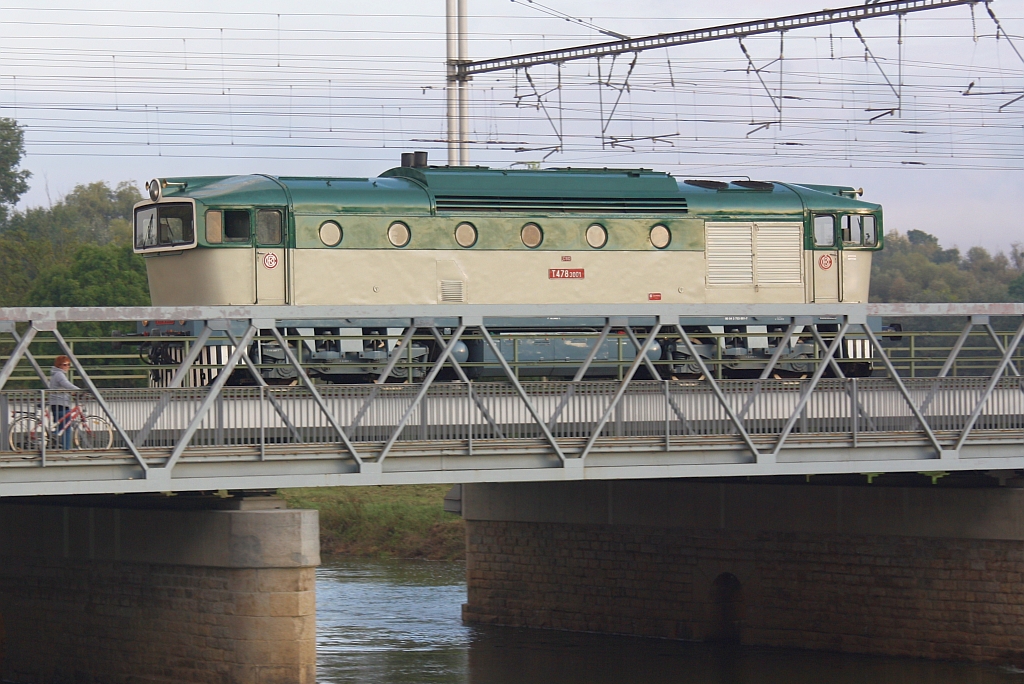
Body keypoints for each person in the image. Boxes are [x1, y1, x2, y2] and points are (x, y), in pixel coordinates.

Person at [49, 355, 79, 450]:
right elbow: (66, 384)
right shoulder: (59, 374)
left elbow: (62, 388)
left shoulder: (56, 374)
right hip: (60, 404)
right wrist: (80, 390)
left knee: (62, 427)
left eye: (68, 365)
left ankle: (60, 445)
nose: (67, 367)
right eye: (64, 364)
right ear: (59, 365)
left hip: (58, 404)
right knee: (67, 428)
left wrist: (73, 394)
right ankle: (67, 450)